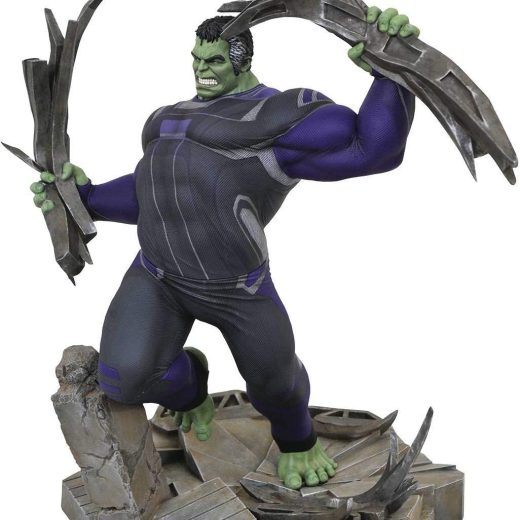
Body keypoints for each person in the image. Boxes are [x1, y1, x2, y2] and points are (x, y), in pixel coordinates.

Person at [30, 6, 419, 490]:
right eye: (196, 58)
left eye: (213, 60)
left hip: (237, 286)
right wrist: (84, 199)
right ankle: (192, 386)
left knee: (276, 386)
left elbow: (374, 149)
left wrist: (391, 72)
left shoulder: (279, 116)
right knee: (123, 377)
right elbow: (152, 192)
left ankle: (299, 444)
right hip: (158, 275)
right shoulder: (167, 119)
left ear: (242, 60)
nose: (201, 69)